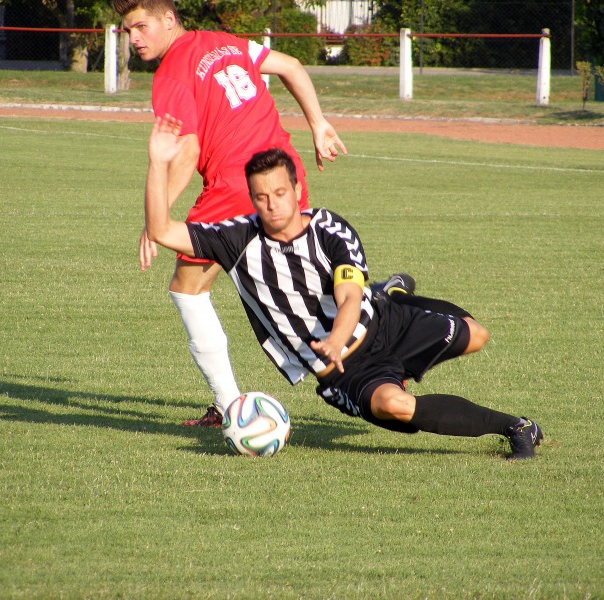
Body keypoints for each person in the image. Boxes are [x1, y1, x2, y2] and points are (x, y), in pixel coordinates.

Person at [144, 115, 544, 459]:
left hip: (384, 323)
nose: (272, 205)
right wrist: (158, 164)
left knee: (478, 335)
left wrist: (336, 336)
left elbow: (350, 296)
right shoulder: (235, 239)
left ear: (298, 190)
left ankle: (394, 294)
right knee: (395, 404)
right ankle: (516, 427)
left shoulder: (330, 230)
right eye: (261, 197)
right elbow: (162, 230)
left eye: (280, 193)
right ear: (251, 198)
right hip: (345, 371)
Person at [111, 0, 362, 426]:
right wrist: (317, 123)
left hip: (234, 186)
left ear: (168, 19)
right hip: (284, 174)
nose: (134, 38)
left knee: (187, 290)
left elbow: (187, 150)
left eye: (140, 26)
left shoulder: (170, 74)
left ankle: (230, 406)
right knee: (293, 278)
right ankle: (379, 315)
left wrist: (159, 215)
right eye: (127, 30)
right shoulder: (223, 42)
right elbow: (292, 66)